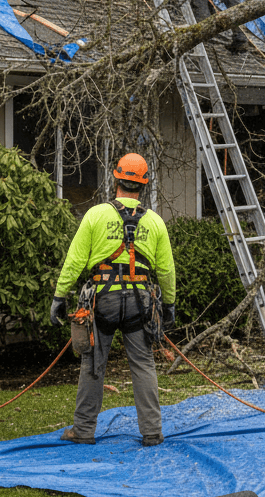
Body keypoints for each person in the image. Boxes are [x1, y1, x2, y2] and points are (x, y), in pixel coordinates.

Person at [50, 153, 176, 446]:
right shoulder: (155, 222)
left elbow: (75, 260)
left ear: (116, 179)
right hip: (140, 304)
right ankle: (152, 432)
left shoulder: (96, 215)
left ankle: (83, 430)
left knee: (93, 364)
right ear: (143, 185)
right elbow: (167, 270)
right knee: (143, 364)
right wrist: (168, 304)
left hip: (102, 300)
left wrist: (59, 296)